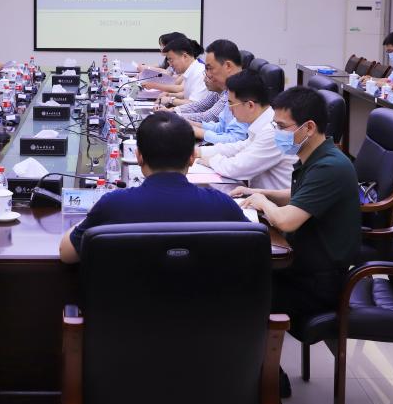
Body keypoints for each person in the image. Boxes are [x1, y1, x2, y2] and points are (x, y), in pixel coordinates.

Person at [233, 86, 360, 342]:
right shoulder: (316, 156)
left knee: (235, 294)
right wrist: (259, 192)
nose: (277, 133)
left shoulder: (330, 166)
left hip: (315, 284)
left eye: (282, 127)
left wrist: (262, 202)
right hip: (300, 268)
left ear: (309, 127)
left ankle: (262, 367)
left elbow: (287, 221)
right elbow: (299, 196)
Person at [59, 111, 247, 263]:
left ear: (139, 157)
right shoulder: (222, 204)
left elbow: (66, 254)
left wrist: (93, 214)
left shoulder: (113, 204)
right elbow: (255, 246)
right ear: (192, 157)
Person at [197, 70, 295, 190]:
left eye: (231, 104)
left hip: (272, 201)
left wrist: (211, 160)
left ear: (250, 105)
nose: (229, 110)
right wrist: (199, 152)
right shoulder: (262, 124)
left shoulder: (273, 131)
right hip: (259, 197)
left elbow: (238, 168)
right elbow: (239, 147)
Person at [178, 39, 249, 144]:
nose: (208, 75)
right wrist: (188, 123)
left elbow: (235, 139)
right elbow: (221, 127)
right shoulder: (231, 88)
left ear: (228, 66)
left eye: (210, 68)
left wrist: (198, 132)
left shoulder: (244, 90)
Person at [148, 37, 209, 107]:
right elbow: (187, 95)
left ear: (185, 56)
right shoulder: (190, 71)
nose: (170, 65)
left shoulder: (200, 73)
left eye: (171, 60)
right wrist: (169, 95)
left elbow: (195, 104)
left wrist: (171, 100)